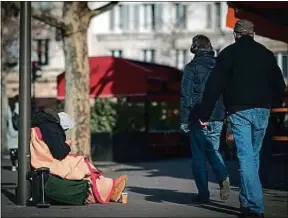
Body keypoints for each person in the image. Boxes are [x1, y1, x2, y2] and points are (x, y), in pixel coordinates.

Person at [198, 20, 286, 217]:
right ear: (252, 33)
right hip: (263, 110)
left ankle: (255, 208)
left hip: (239, 111)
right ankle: (247, 201)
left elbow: (214, 86)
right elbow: (279, 84)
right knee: (253, 157)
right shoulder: (266, 53)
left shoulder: (228, 54)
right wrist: (275, 102)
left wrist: (205, 114)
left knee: (246, 158)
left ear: (235, 34)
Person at [30, 108, 128, 204]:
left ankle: (109, 188)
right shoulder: (50, 127)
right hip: (50, 162)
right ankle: (111, 188)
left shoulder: (44, 124)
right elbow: (59, 152)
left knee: (82, 167)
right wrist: (67, 144)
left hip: (47, 159)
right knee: (83, 165)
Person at [180, 35, 230, 204]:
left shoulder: (191, 67)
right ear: (209, 47)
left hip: (197, 116)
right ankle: (223, 175)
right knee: (213, 150)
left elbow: (186, 96)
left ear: (194, 48)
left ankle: (203, 194)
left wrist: (184, 120)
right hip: (217, 116)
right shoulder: (220, 66)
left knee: (198, 157)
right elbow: (226, 92)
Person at [6, 95, 19, 171]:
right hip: (18, 130)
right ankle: (17, 163)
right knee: (18, 148)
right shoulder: (19, 106)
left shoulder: (9, 107)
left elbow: (7, 118)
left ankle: (13, 165)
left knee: (12, 148)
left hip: (10, 130)